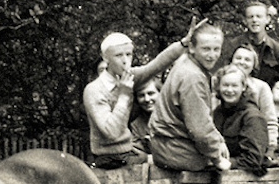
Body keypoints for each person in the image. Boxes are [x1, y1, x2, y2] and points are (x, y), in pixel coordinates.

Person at [83, 19, 205, 169]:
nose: (125, 61)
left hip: (129, 153)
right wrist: (124, 95)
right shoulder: (94, 90)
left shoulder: (128, 76)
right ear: (105, 58)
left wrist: (183, 43)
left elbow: (155, 66)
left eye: (128, 54)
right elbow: (111, 132)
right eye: (118, 55)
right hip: (109, 158)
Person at [149, 23, 230, 171]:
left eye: (216, 49)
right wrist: (217, 157)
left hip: (166, 146)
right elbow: (200, 130)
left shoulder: (186, 64)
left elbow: (203, 120)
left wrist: (219, 141)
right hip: (176, 151)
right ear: (192, 48)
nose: (212, 55)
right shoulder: (193, 77)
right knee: (225, 167)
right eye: (206, 49)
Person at [212, 65, 267, 175]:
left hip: (245, 180)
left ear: (243, 87)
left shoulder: (252, 116)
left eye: (234, 86)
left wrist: (227, 163)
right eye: (225, 85)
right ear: (219, 87)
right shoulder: (218, 112)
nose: (229, 90)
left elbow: (253, 159)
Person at [228, 45, 278, 152]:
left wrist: (271, 147)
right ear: (231, 60)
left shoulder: (261, 87)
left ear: (253, 65)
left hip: (252, 142)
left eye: (247, 60)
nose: (242, 62)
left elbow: (270, 121)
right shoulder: (220, 83)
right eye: (238, 58)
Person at [129, 77, 161, 158]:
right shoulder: (136, 125)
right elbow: (137, 155)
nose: (146, 99)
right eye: (141, 95)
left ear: (161, 93)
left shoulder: (174, 116)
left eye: (151, 93)